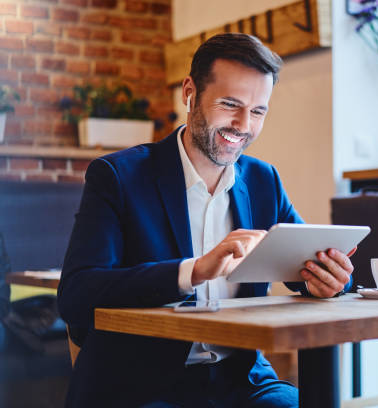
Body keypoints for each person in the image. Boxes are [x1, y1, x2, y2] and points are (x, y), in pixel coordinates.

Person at [57, 33, 355, 407]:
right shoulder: (117, 176)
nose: (243, 125)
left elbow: (304, 263)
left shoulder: (264, 181)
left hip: (240, 380)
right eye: (230, 104)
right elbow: (76, 295)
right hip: (139, 384)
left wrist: (328, 278)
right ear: (189, 92)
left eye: (258, 111)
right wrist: (192, 271)